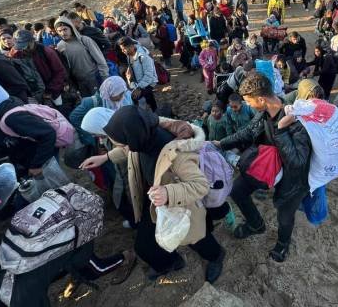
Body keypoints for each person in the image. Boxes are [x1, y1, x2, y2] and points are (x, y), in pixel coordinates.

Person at [85, 106, 225, 283]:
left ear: (132, 138)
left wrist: (168, 193)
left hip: (180, 203)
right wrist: (105, 157)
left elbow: (200, 185)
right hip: (156, 199)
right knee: (144, 245)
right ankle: (171, 262)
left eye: (120, 141)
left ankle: (217, 256)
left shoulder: (176, 153)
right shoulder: (143, 136)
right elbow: (127, 150)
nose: (119, 145)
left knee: (195, 238)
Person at [214, 73, 311, 262]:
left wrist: (281, 129)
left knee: (284, 214)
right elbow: (249, 131)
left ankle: (282, 244)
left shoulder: (296, 119)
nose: (248, 105)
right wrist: (221, 143)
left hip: (292, 178)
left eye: (249, 101)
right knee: (237, 190)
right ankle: (256, 225)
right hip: (267, 163)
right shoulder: (265, 112)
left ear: (261, 99)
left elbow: (298, 162)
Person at [70, 76, 132, 146]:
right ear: (110, 92)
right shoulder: (92, 102)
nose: (122, 97)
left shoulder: (126, 96)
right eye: (119, 94)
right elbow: (74, 117)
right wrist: (91, 136)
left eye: (123, 93)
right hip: (105, 139)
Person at [55, 16, 109, 96]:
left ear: (71, 28)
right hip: (79, 83)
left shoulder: (84, 40)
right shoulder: (60, 46)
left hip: (95, 78)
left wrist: (105, 78)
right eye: (59, 31)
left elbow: (100, 60)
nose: (63, 33)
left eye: (65, 29)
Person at [10, 30, 67, 106]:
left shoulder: (47, 52)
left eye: (25, 45)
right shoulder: (15, 54)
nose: (23, 49)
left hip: (51, 92)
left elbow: (59, 72)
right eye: (20, 46)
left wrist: (49, 91)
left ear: (32, 41)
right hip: (33, 94)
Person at [119, 37, 158, 112]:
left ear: (131, 46)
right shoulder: (129, 55)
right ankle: (151, 110)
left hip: (149, 82)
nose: (122, 51)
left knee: (139, 97)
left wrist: (139, 88)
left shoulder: (144, 57)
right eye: (121, 49)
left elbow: (148, 76)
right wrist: (129, 70)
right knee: (147, 98)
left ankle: (153, 112)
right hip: (139, 82)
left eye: (123, 49)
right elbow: (132, 66)